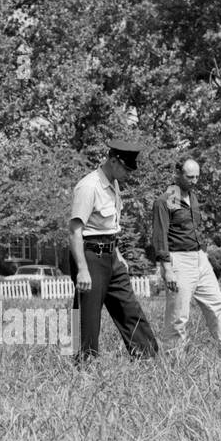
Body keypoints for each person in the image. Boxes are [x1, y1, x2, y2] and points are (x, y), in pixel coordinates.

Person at [68, 139, 158, 362]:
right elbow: (75, 231)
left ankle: (148, 357)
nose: (128, 174)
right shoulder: (89, 186)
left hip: (111, 254)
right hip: (90, 256)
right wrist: (82, 270)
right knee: (88, 315)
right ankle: (84, 364)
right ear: (113, 161)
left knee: (128, 307)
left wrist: (118, 255)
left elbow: (109, 227)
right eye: (126, 168)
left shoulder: (113, 184)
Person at [152, 157, 221, 357]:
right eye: (189, 177)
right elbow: (160, 237)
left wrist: (203, 252)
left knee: (218, 305)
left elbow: (193, 229)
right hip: (178, 260)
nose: (194, 181)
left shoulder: (192, 198)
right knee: (178, 316)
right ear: (178, 174)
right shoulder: (165, 201)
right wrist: (167, 269)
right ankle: (174, 362)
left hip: (199, 258)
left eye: (196, 177)